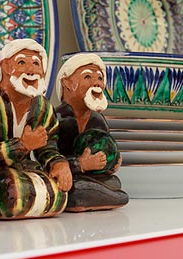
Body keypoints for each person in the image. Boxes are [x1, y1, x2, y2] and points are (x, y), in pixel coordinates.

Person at [0, 38, 72, 219]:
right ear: (5, 67)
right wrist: (21, 146)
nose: (31, 70)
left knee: (59, 193)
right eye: (22, 63)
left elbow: (48, 146)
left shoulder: (43, 108)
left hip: (24, 170)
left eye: (36, 64)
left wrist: (58, 164)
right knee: (12, 192)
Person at [55, 53, 129, 212]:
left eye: (100, 78)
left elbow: (105, 147)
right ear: (67, 83)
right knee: (76, 187)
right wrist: (80, 164)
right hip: (66, 177)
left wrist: (111, 162)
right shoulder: (57, 118)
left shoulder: (98, 119)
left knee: (113, 181)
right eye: (87, 77)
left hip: (90, 176)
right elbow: (48, 158)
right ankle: (110, 197)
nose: (97, 83)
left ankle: (97, 196)